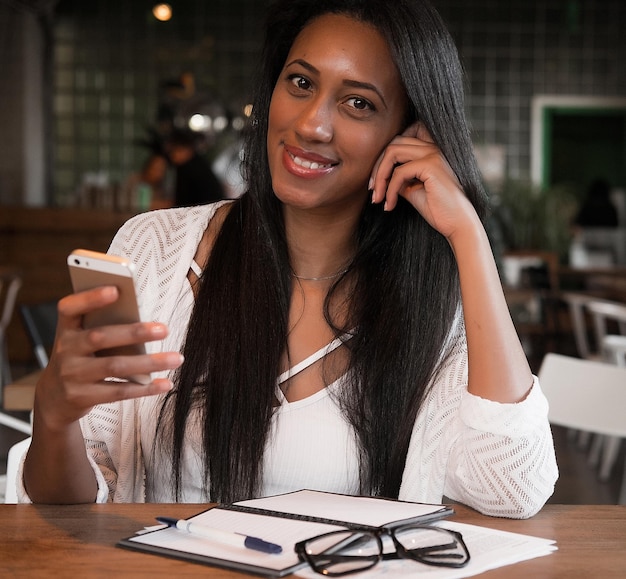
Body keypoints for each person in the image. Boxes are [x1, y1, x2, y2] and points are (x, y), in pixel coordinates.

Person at [20, 0, 557, 518]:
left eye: (358, 104)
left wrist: (467, 234)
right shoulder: (155, 249)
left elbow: (512, 488)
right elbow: (68, 507)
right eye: (300, 83)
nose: (311, 125)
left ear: (408, 136)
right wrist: (54, 418)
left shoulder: (433, 300)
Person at [166, 129, 226, 207]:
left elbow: (182, 203)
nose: (172, 156)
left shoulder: (190, 169)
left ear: (184, 149)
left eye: (173, 151)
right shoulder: (195, 164)